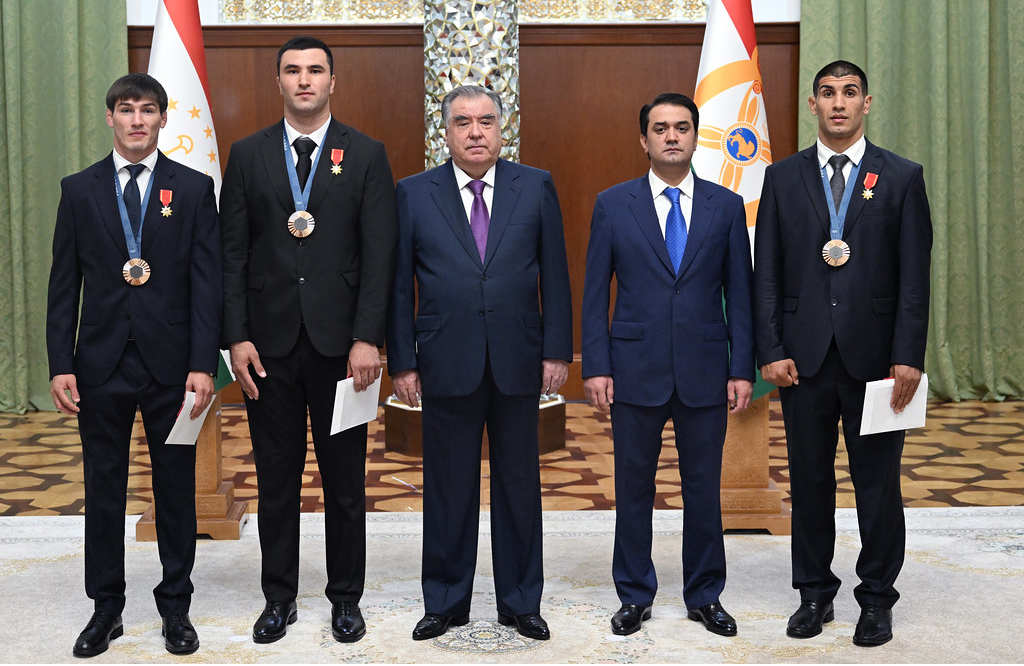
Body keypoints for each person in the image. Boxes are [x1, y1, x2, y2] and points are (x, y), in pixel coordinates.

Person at [220, 35, 398, 644]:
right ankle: (279, 598)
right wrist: (236, 337)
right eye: (293, 70)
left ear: (331, 82)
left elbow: (380, 255)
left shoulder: (366, 154)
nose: (304, 80)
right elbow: (232, 254)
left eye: (315, 70)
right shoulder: (247, 154)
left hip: (344, 351)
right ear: (278, 82)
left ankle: (346, 598)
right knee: (276, 479)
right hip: (266, 348)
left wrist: (368, 338)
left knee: (345, 482)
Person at [753, 60, 932, 647]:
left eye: (849, 93)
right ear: (813, 104)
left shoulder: (900, 177)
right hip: (801, 361)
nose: (838, 102)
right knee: (809, 483)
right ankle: (814, 594)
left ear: (866, 103)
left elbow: (914, 278)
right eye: (827, 93)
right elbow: (766, 274)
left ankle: (876, 598)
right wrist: (770, 348)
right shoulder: (782, 178)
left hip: (878, 362)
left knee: (877, 485)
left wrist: (909, 355)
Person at [386, 85, 572, 642]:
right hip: (444, 359)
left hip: (520, 358)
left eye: (486, 121)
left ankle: (521, 601)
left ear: (501, 128)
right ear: (444, 132)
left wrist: (556, 350)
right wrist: (404, 361)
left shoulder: (535, 185)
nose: (475, 132)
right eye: (463, 122)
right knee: (448, 487)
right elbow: (399, 286)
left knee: (520, 486)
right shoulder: (413, 193)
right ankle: (445, 601)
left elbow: (556, 275)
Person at [46, 73, 221, 657]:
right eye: (126, 110)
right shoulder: (78, 190)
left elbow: (206, 284)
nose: (137, 120)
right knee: (103, 487)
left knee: (175, 487)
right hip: (99, 365)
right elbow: (63, 285)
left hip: (173, 366)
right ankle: (106, 608)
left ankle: (176, 607)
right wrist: (61, 362)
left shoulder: (192, 188)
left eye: (148, 110)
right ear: (110, 117)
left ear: (163, 119)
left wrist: (203, 363)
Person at [581, 93, 755, 637]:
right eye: (660, 128)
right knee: (633, 488)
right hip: (633, 369)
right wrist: (596, 365)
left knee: (703, 489)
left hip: (707, 369)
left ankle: (705, 595)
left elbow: (741, 295)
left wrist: (741, 368)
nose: (672, 136)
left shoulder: (726, 206)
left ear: (696, 136)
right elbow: (594, 293)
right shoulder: (614, 204)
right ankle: (634, 596)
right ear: (644, 140)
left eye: (682, 127)